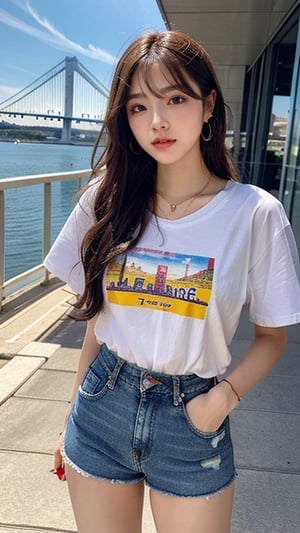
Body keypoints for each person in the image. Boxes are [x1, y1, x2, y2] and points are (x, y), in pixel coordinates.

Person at [44, 30, 300, 533]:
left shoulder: (254, 213)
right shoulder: (107, 198)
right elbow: (100, 320)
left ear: (208, 107)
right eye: (138, 107)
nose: (157, 121)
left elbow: (273, 337)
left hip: (192, 421)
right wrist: (72, 414)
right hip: (101, 408)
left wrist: (218, 402)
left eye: (175, 99)